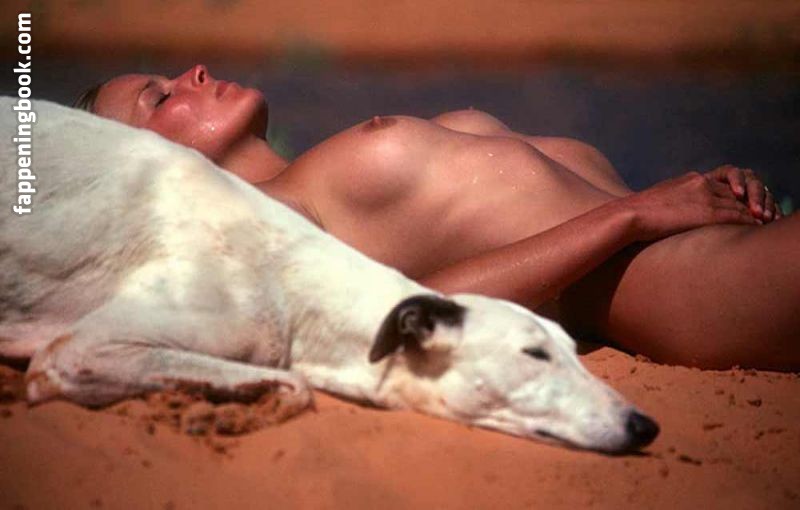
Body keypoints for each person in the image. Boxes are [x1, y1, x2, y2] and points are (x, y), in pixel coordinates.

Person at [75, 65, 799, 371]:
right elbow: (405, 312)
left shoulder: (307, 175)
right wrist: (633, 216)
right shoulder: (265, 218)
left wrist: (713, 195)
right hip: (695, 291)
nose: (194, 72)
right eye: (159, 97)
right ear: (144, 164)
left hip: (718, 248)